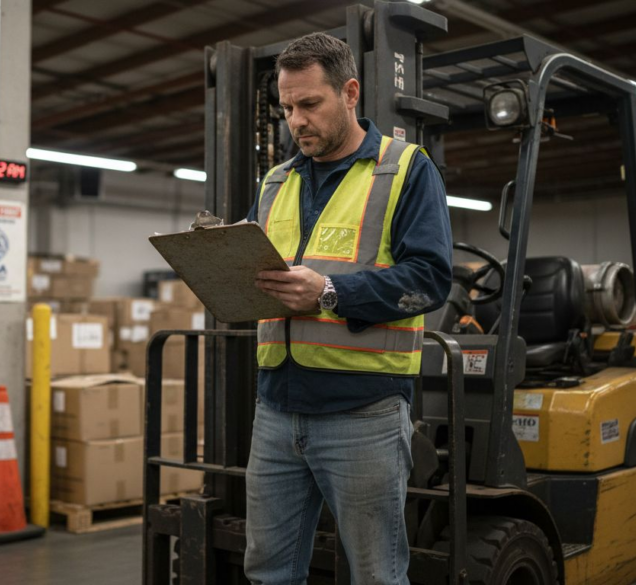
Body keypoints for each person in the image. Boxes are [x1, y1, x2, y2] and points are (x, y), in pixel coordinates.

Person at [245, 32, 453, 585]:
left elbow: (431, 279)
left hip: (363, 416)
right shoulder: (276, 181)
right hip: (275, 410)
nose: (296, 121)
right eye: (287, 108)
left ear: (350, 93)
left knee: (376, 575)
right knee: (267, 573)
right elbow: (256, 264)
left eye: (310, 104)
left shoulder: (404, 170)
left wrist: (330, 293)